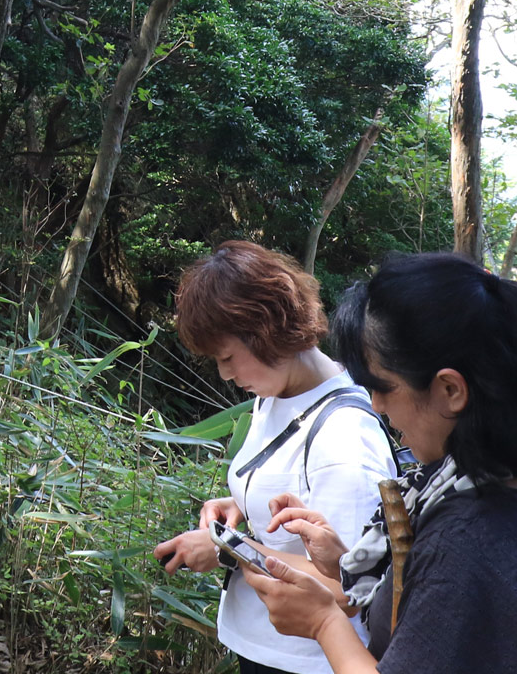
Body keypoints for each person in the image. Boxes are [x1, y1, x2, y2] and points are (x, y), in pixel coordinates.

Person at [241, 253, 517, 674]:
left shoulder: (471, 541)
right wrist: (343, 564)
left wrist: (323, 622)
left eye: (382, 387)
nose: (376, 405)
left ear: (450, 390)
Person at [153, 241, 398, 674]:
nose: (225, 374)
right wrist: (241, 508)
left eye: (227, 357)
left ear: (267, 329)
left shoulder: (345, 440)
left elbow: (349, 588)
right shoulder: (281, 393)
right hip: (270, 648)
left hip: (308, 662)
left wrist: (226, 549)